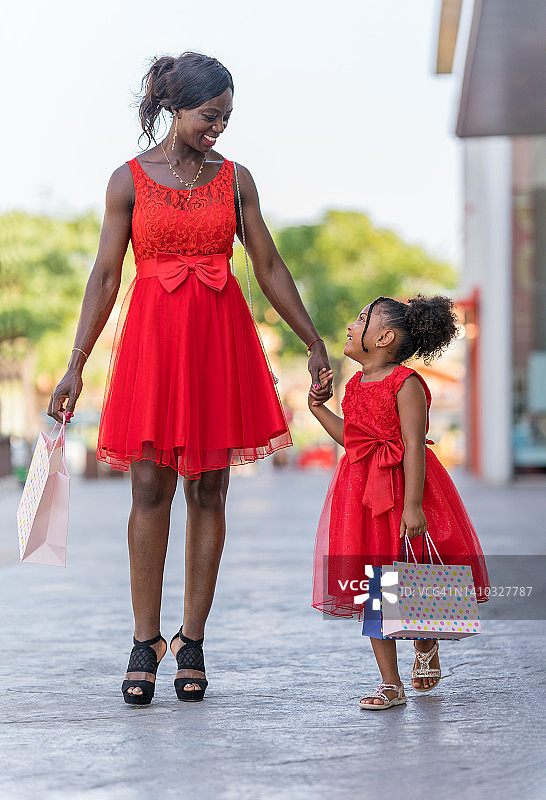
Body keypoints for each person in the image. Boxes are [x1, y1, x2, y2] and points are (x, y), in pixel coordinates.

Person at [48, 52, 331, 705]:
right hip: (152, 346)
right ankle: (144, 639)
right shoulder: (127, 180)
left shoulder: (236, 180)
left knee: (209, 489)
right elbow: (107, 276)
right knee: (149, 488)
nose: (219, 129)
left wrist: (313, 339)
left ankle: (192, 640)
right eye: (211, 115)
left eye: (227, 118)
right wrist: (76, 363)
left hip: (217, 343)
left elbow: (269, 265)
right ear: (176, 107)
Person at [308, 295, 489, 710]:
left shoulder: (406, 384)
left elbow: (413, 446)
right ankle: (390, 683)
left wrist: (412, 504)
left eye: (360, 320)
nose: (351, 326)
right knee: (374, 583)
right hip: (362, 495)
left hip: (406, 489)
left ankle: (426, 644)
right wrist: (318, 409)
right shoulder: (353, 385)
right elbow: (354, 439)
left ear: (384, 337)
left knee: (411, 573)